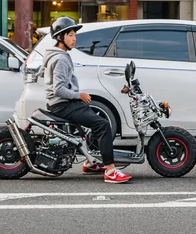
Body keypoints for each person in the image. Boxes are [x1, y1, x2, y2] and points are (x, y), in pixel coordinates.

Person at [42, 16, 132, 184]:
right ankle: (111, 171)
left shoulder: (60, 55)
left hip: (64, 103)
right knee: (103, 125)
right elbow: (58, 89)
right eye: (70, 35)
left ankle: (90, 163)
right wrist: (78, 95)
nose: (74, 38)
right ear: (60, 37)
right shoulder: (60, 58)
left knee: (93, 125)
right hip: (62, 104)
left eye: (74, 34)